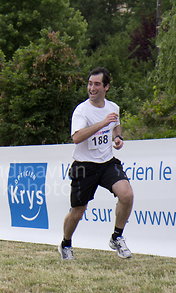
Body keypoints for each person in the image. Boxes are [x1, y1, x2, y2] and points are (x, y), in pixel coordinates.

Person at [59, 67, 133, 260]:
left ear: (106, 87)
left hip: (107, 162)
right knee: (77, 211)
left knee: (126, 194)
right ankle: (66, 244)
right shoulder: (82, 111)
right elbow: (76, 138)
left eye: (97, 84)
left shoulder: (113, 108)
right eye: (90, 84)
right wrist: (101, 123)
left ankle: (117, 237)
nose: (92, 88)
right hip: (85, 166)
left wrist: (118, 138)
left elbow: (115, 125)